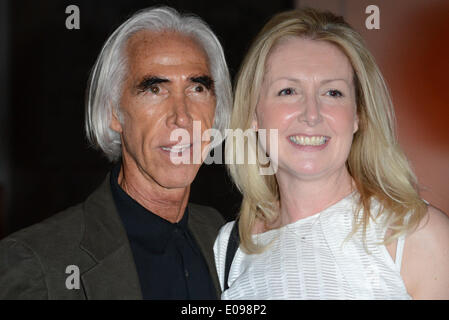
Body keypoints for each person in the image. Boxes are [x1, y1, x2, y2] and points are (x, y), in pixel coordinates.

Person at [214, 8, 449, 299]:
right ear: (254, 113)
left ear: (358, 115)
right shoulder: (232, 246)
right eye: (288, 91)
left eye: (333, 93)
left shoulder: (415, 235)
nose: (311, 114)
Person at [0, 6, 232, 299]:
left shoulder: (223, 237)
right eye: (155, 90)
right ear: (113, 113)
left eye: (197, 88)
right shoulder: (35, 263)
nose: (182, 118)